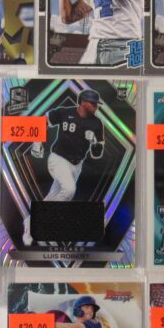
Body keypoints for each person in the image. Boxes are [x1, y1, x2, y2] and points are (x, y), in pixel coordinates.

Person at [22, 89, 104, 246]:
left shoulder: (97, 123)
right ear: (83, 102)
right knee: (69, 189)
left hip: (77, 165)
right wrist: (37, 142)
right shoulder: (65, 112)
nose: (96, 107)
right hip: (58, 159)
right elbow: (43, 121)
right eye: (93, 103)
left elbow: (97, 153)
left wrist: (94, 142)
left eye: (96, 104)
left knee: (55, 196)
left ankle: (29, 223)